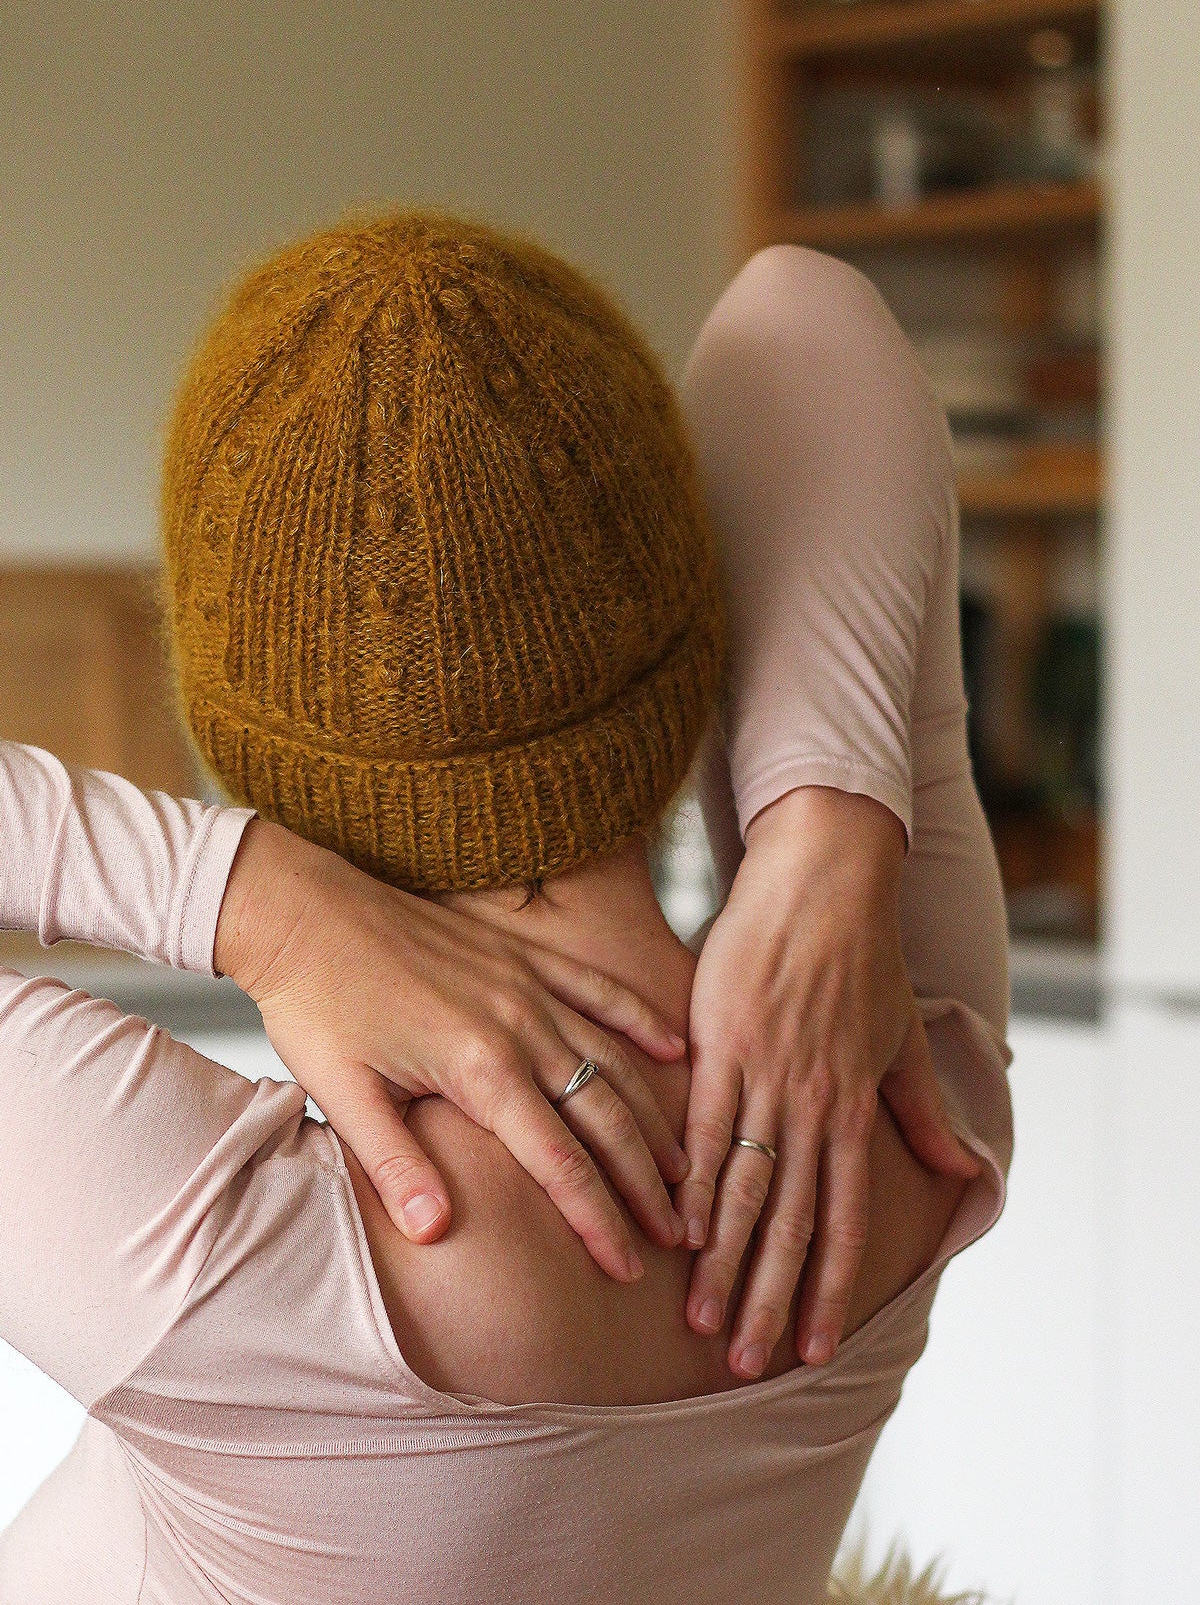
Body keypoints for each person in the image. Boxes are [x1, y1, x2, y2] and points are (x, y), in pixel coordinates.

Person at [0, 218, 1011, 1602]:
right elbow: (804, 314)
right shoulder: (895, 1084)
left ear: (236, 733)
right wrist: (827, 835)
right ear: (693, 656)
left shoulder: (209, 1255)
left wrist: (250, 900)